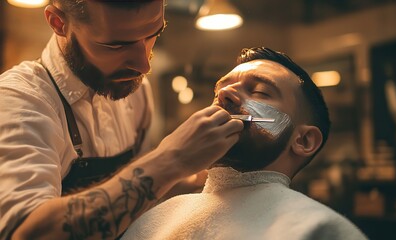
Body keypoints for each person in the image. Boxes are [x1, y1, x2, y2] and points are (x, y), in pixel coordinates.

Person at [0, 1, 243, 239]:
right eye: (116, 45)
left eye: (152, 35)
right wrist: (171, 159)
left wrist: (195, 176)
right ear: (58, 22)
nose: (143, 65)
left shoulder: (135, 93)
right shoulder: (22, 102)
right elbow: (26, 232)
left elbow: (136, 200)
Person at [121, 47, 368, 240]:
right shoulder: (154, 218)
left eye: (260, 92)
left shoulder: (319, 230)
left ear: (303, 140)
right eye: (220, 91)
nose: (225, 95)